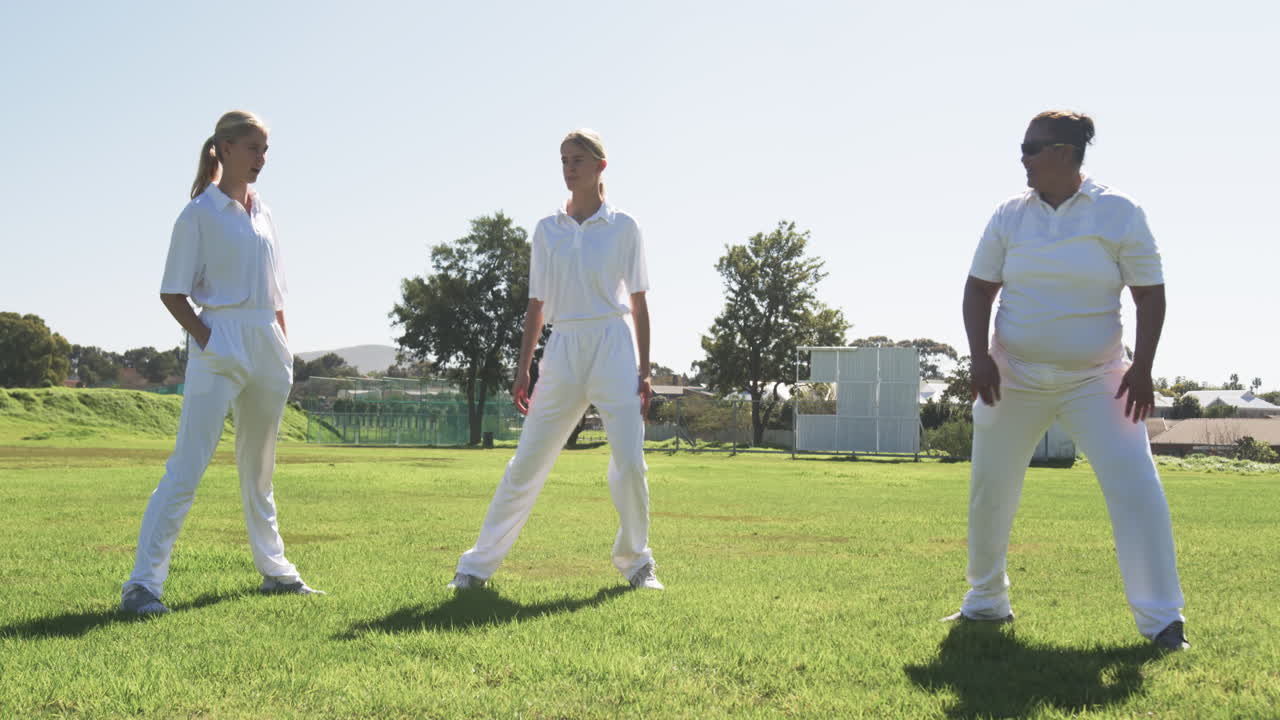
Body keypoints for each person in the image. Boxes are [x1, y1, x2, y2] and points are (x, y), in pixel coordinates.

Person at [950, 110, 1187, 650]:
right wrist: (978, 357)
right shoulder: (1009, 215)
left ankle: (1162, 622)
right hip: (1011, 374)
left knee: (1138, 490)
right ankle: (985, 604)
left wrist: (1144, 367)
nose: (1022, 158)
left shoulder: (1119, 212)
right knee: (991, 491)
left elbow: (1150, 294)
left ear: (1063, 152)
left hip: (1099, 378)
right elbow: (977, 289)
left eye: (1029, 148)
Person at [119, 110, 322, 615]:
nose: (262, 159)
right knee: (187, 467)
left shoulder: (265, 213)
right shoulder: (197, 215)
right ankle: (142, 585)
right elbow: (172, 293)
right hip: (219, 338)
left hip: (266, 343)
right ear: (225, 148)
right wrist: (211, 341)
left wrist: (282, 346)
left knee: (259, 470)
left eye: (266, 150)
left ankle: (276, 572)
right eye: (253, 148)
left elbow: (277, 293)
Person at [449, 129, 662, 592]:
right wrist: (523, 367)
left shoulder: (625, 227)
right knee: (526, 463)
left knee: (629, 461)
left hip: (613, 343)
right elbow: (536, 305)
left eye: (578, 160)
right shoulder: (547, 229)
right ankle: (475, 567)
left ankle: (636, 563)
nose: (569, 168)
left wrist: (645, 371)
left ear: (601, 166)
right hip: (562, 349)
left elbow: (641, 303)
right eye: (564, 160)